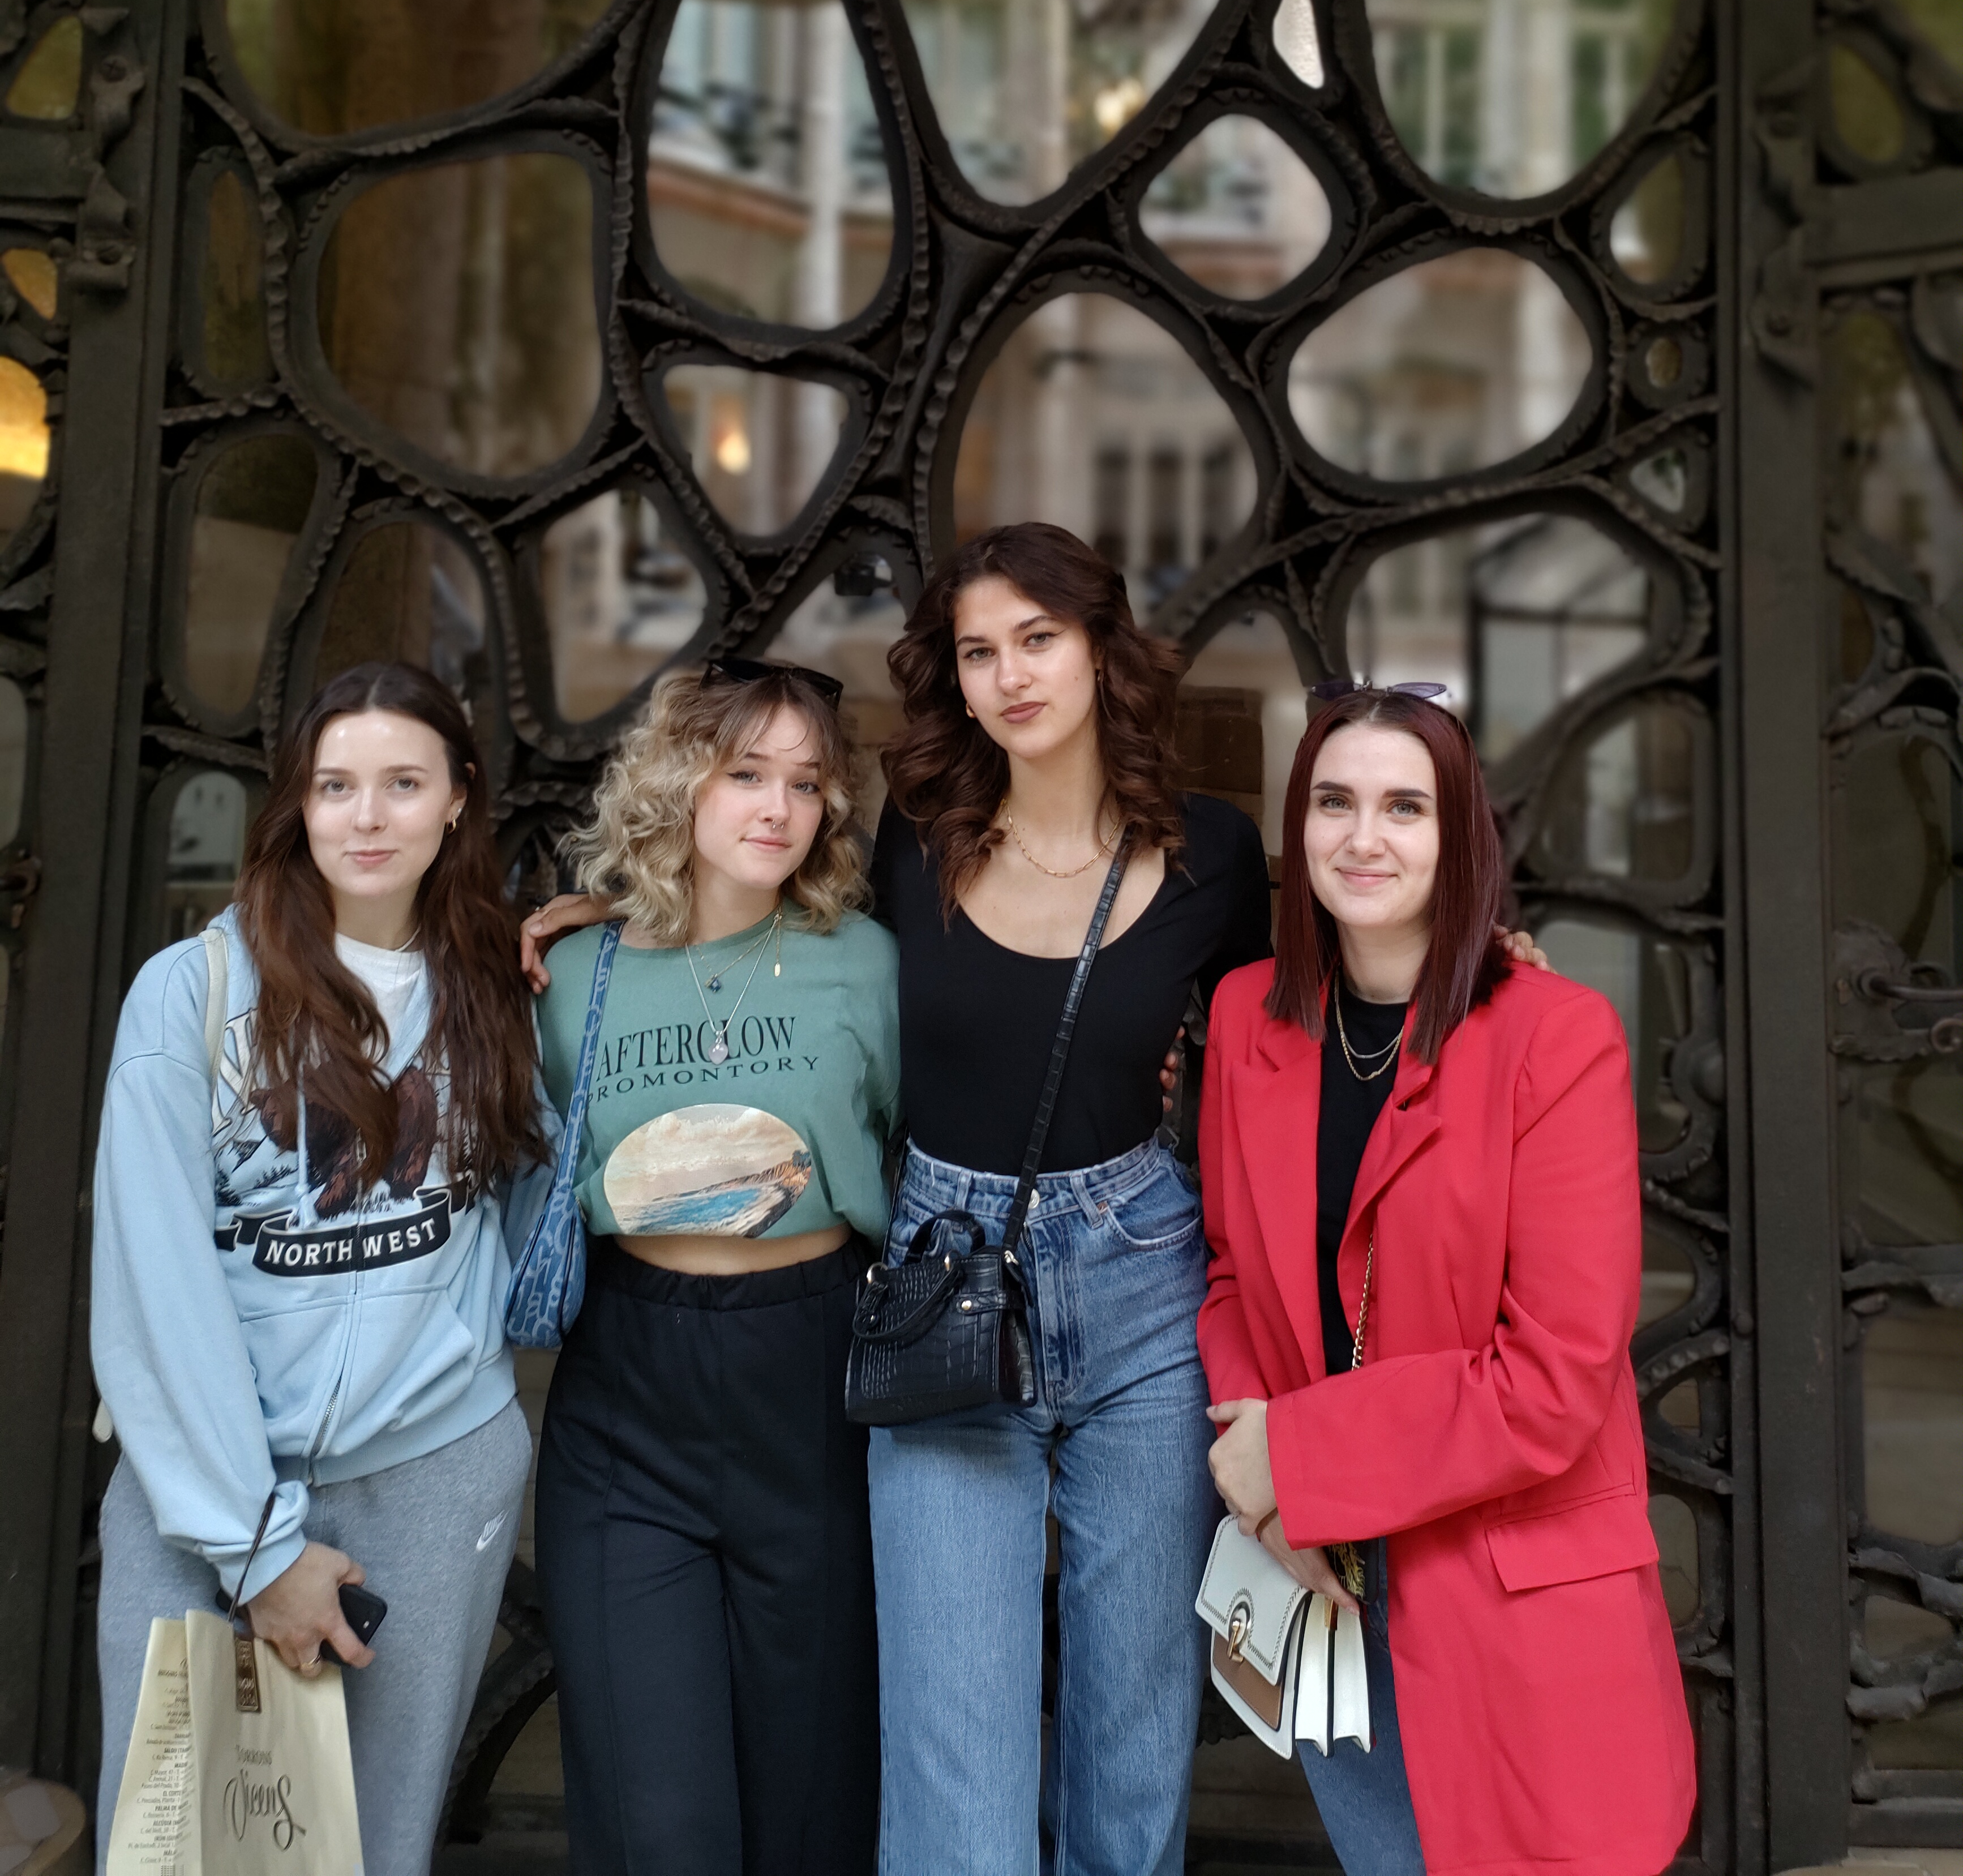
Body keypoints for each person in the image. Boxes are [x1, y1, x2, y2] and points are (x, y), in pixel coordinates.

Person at [1199, 682, 1696, 1876]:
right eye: (1334, 802)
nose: (1363, 837)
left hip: (1506, 1587)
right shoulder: (1246, 1017)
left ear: (1457, 833)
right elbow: (1229, 1270)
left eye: (1405, 807)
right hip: (1327, 1572)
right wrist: (1258, 1472)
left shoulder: (1555, 1037)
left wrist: (1295, 1461)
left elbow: (1556, 1374)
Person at [92, 662, 549, 1876]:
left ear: (459, 796)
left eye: (403, 782)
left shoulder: (500, 993)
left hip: (431, 1480)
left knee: (369, 1852)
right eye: (335, 784)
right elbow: (153, 1289)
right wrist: (257, 1548)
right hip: (206, 1501)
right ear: (297, 799)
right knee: (188, 1851)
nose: (366, 816)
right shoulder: (191, 994)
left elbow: (538, 1207)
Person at [865, 522, 1273, 1876]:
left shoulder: (1216, 853)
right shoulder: (911, 835)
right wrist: (603, 926)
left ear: (1101, 647)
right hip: (944, 1278)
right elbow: (762, 930)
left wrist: (1486, 956)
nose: (1010, 675)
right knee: (957, 1749)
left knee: (1134, 1734)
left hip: (1144, 1276)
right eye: (979, 650)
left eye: (1038, 637)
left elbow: (1292, 1042)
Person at [524, 656, 899, 1876]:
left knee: (812, 1806)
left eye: (807, 782)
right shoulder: (572, 972)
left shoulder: (870, 961)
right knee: (658, 1819)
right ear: (679, 780)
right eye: (746, 773)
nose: (778, 808)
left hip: (816, 1380)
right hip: (629, 1394)